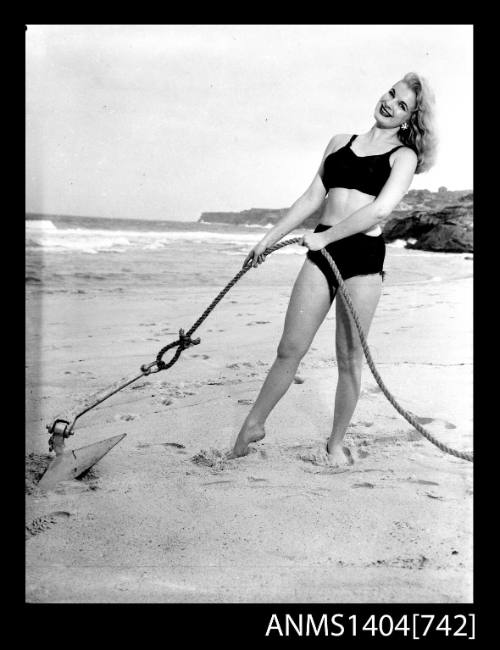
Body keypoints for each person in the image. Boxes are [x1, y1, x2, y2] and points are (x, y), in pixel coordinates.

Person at [228, 72, 437, 466]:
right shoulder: (341, 142)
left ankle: (336, 443)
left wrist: (325, 238)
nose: (390, 103)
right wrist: (267, 240)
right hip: (322, 249)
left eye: (402, 104)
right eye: (391, 93)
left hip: (360, 258)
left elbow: (380, 210)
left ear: (409, 119)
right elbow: (311, 197)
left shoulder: (403, 156)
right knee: (289, 348)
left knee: (349, 357)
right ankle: (251, 427)